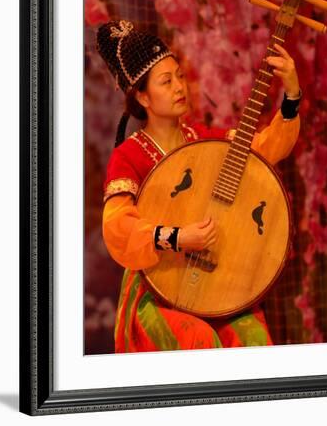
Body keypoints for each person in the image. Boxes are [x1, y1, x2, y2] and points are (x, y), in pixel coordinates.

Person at [96, 19, 302, 353]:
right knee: (198, 339)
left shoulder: (201, 140)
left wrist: (291, 95)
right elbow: (117, 227)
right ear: (143, 97)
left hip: (216, 284)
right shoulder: (129, 156)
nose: (180, 87)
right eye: (166, 81)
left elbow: (262, 151)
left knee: (253, 338)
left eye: (179, 76)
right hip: (157, 290)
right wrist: (178, 237)